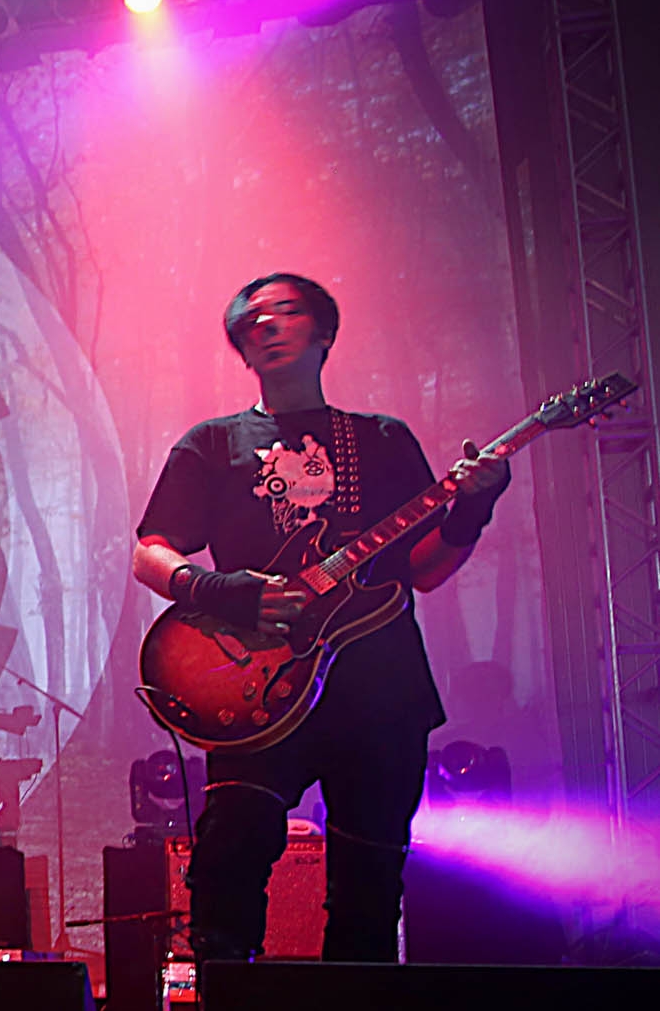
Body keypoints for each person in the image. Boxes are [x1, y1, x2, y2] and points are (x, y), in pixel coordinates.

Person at [133, 274, 512, 961]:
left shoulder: (381, 439)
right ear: (242, 347)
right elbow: (150, 554)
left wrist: (473, 508)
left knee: (369, 893)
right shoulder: (211, 444)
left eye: (286, 310)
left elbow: (424, 569)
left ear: (324, 333)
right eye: (251, 318)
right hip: (254, 685)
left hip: (379, 690)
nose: (266, 323)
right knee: (228, 863)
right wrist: (224, 591)